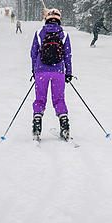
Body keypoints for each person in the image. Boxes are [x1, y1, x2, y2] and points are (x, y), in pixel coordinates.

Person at [30, 8, 73, 139]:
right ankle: (64, 125)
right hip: (58, 71)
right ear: (59, 19)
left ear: (47, 18)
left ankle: (37, 124)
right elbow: (67, 55)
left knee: (40, 99)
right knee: (59, 99)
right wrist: (68, 73)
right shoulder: (64, 34)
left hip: (41, 72)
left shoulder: (39, 33)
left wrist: (34, 70)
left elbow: (33, 53)